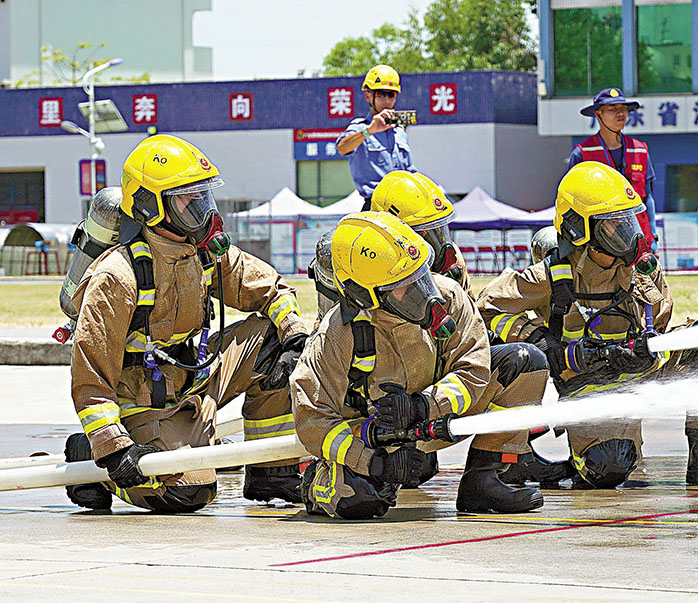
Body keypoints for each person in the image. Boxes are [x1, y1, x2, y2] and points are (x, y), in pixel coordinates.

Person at [65, 134, 310, 513]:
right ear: (151, 205)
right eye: (188, 198)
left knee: (275, 343)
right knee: (190, 493)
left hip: (196, 377)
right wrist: (113, 448)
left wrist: (295, 334)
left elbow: (270, 288)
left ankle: (272, 473)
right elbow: (90, 375)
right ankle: (90, 459)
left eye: (203, 195)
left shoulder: (204, 252)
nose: (203, 208)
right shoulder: (117, 276)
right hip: (144, 401)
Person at [477, 162, 698, 489]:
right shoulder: (553, 275)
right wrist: (545, 344)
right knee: (609, 467)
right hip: (591, 385)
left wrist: (650, 355)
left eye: (628, 221)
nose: (628, 234)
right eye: (614, 225)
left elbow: (660, 323)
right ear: (580, 229)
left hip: (645, 371)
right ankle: (584, 462)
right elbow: (486, 307)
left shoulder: (641, 268)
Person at [290, 212, 550, 519]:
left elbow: (475, 369)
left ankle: (484, 480)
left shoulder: (449, 296)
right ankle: (316, 484)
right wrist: (375, 463)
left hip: (432, 419)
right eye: (404, 285)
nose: (423, 290)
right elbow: (312, 418)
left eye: (420, 274)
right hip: (372, 439)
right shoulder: (338, 332)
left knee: (524, 363)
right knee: (360, 502)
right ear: (367, 295)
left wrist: (422, 407)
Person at [568, 87, 658, 253]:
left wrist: (652, 236)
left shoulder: (640, 150)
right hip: (600, 243)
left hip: (639, 239)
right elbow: (571, 203)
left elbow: (648, 198)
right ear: (598, 114)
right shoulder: (582, 153)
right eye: (612, 109)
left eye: (623, 109)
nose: (620, 113)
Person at [370, 171, 472, 295]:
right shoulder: (376, 265)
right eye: (425, 232)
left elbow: (469, 308)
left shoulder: (454, 256)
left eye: (440, 228)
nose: (444, 246)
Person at [336, 64, 417, 209]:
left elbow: (409, 170)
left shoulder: (400, 131)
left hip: (405, 204)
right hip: (376, 205)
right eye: (381, 94)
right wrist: (369, 131)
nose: (386, 100)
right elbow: (342, 148)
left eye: (391, 95)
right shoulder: (360, 127)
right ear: (368, 96)